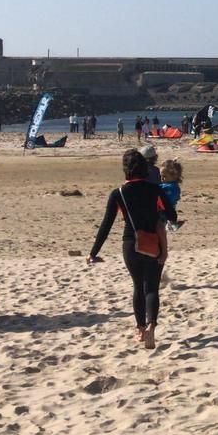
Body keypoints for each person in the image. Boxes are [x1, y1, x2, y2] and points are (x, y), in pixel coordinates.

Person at [88, 149, 172, 349]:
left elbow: (106, 224)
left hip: (130, 244)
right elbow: (172, 215)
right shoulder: (155, 190)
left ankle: (141, 330)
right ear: (144, 168)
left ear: (125, 169)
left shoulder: (118, 193)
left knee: (138, 286)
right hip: (154, 244)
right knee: (151, 288)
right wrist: (158, 216)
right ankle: (152, 326)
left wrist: (94, 252)